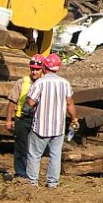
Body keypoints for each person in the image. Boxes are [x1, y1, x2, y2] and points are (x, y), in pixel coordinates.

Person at [24, 52, 78, 189]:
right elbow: (70, 104)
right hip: (58, 127)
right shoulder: (65, 83)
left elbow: (30, 103)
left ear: (44, 67)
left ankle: (32, 183)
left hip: (41, 127)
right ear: (58, 68)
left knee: (35, 155)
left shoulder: (40, 83)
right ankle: (52, 183)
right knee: (55, 155)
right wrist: (74, 118)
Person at [4, 54, 47, 180]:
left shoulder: (46, 83)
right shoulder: (22, 82)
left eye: (37, 69)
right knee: (21, 147)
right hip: (22, 119)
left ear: (43, 69)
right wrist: (8, 120)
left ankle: (32, 175)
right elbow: (12, 102)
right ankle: (20, 173)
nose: (34, 72)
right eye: (32, 69)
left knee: (35, 150)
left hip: (38, 120)